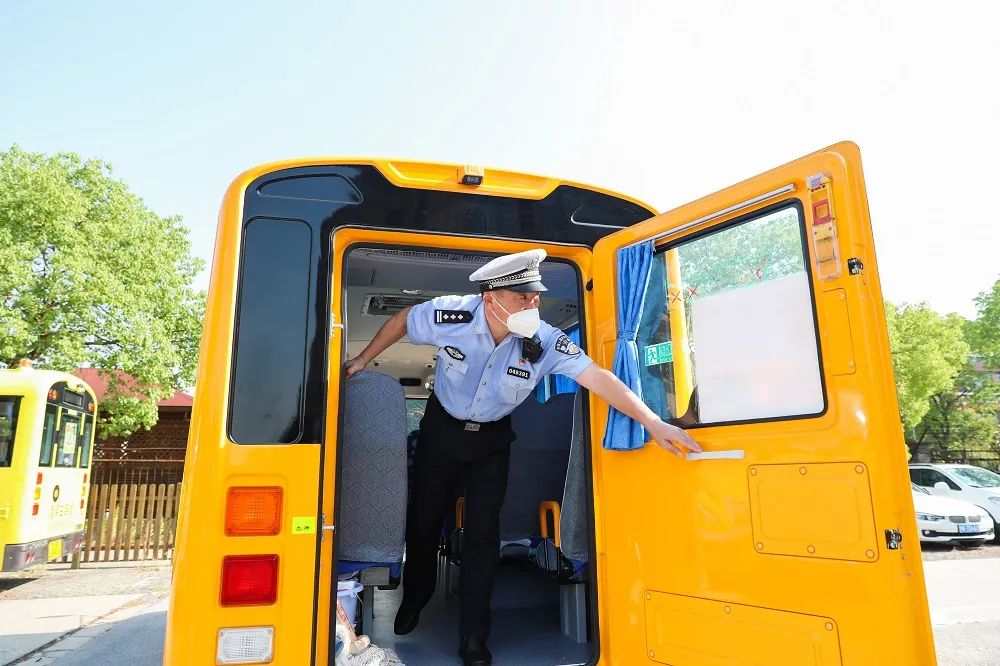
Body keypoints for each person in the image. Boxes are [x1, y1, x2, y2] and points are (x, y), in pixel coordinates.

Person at [344, 248, 700, 666]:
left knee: (482, 537)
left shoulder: (545, 339)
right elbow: (404, 319)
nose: (534, 304)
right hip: (441, 432)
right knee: (423, 521)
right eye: (523, 296)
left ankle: (474, 638)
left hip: (492, 441)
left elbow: (597, 377)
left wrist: (655, 423)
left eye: (536, 296)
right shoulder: (452, 315)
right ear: (490, 298)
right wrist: (363, 359)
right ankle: (415, 598)